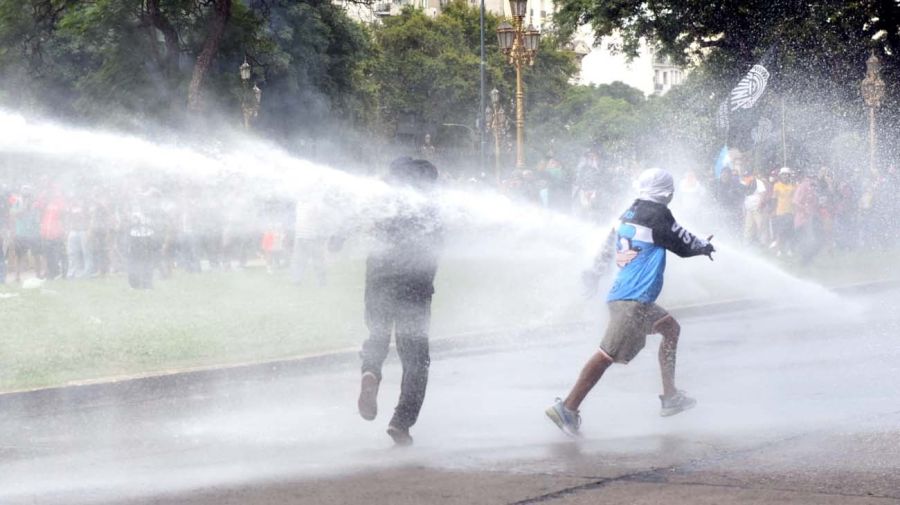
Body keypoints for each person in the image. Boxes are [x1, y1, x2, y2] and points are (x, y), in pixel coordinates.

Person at [546, 168, 715, 437]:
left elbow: (606, 248)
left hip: (631, 298)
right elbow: (682, 243)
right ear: (665, 191)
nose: (672, 194)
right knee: (605, 355)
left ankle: (670, 397)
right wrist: (704, 246)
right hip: (632, 302)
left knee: (670, 329)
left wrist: (593, 275)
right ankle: (568, 407)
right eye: (670, 190)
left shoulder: (629, 213)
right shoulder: (657, 214)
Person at [357, 157, 442, 446]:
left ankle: (370, 373)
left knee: (377, 336)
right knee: (416, 358)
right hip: (415, 288)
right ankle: (401, 422)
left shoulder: (384, 208)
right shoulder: (431, 211)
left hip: (378, 281)